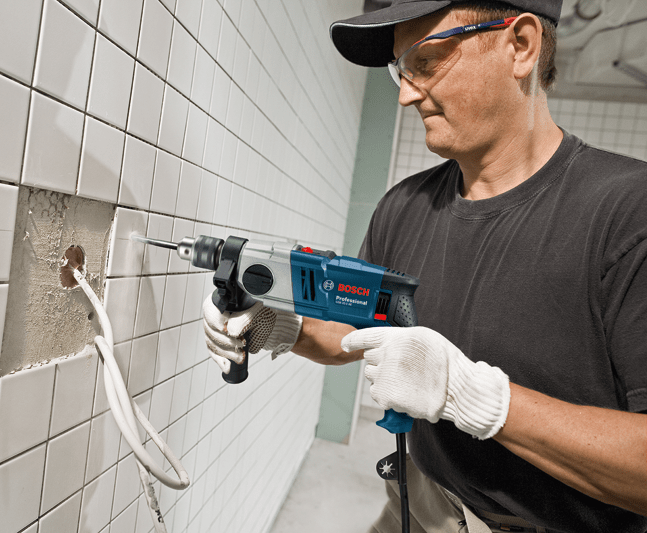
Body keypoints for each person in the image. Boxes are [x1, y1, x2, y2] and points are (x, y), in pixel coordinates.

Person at [203, 0, 647, 532]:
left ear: (521, 46)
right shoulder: (405, 205)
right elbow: (352, 329)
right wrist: (278, 325)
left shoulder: (628, 213)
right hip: (420, 505)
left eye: (427, 61)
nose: (406, 94)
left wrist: (479, 399)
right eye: (401, 69)